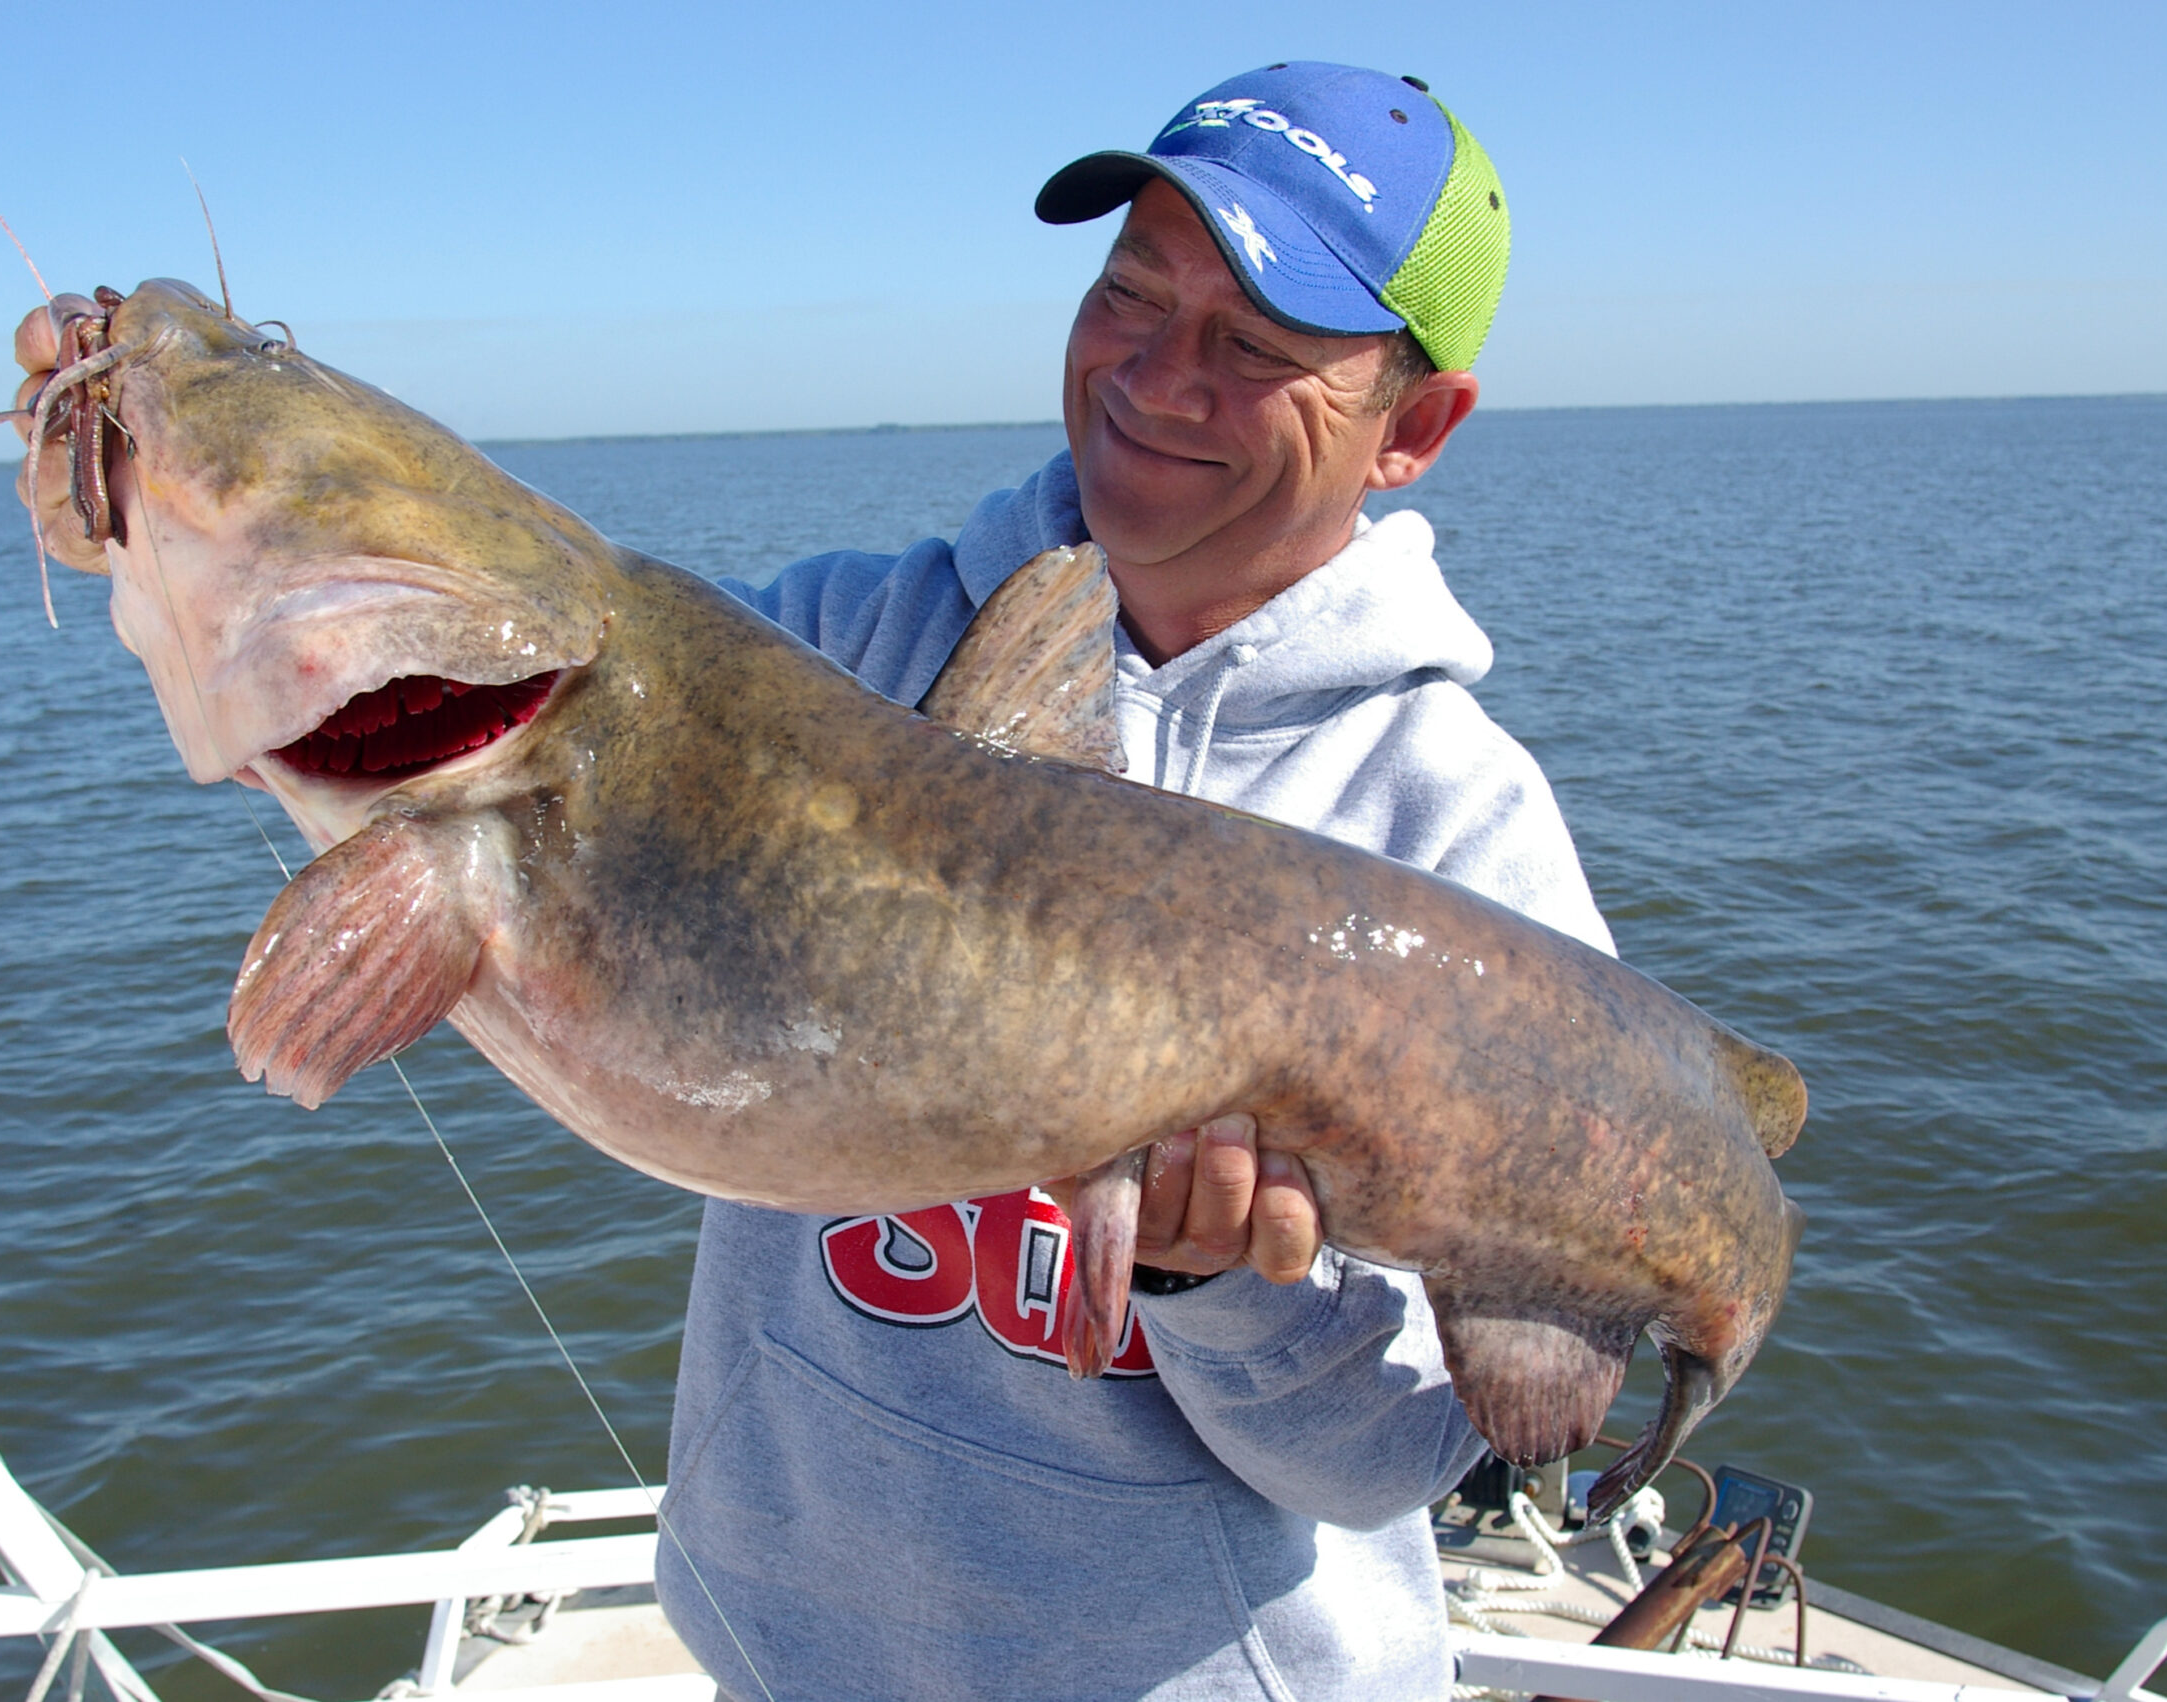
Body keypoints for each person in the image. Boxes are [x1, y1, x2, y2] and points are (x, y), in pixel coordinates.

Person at [661, 61, 1616, 1702]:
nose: (1156, 375)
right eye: (1129, 290)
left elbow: (1395, 1450)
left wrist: (1218, 1288)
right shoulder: (837, 649)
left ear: (1416, 426)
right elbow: (506, 719)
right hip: (782, 1654)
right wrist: (176, 499)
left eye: (1254, 345)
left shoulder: (1454, 836)